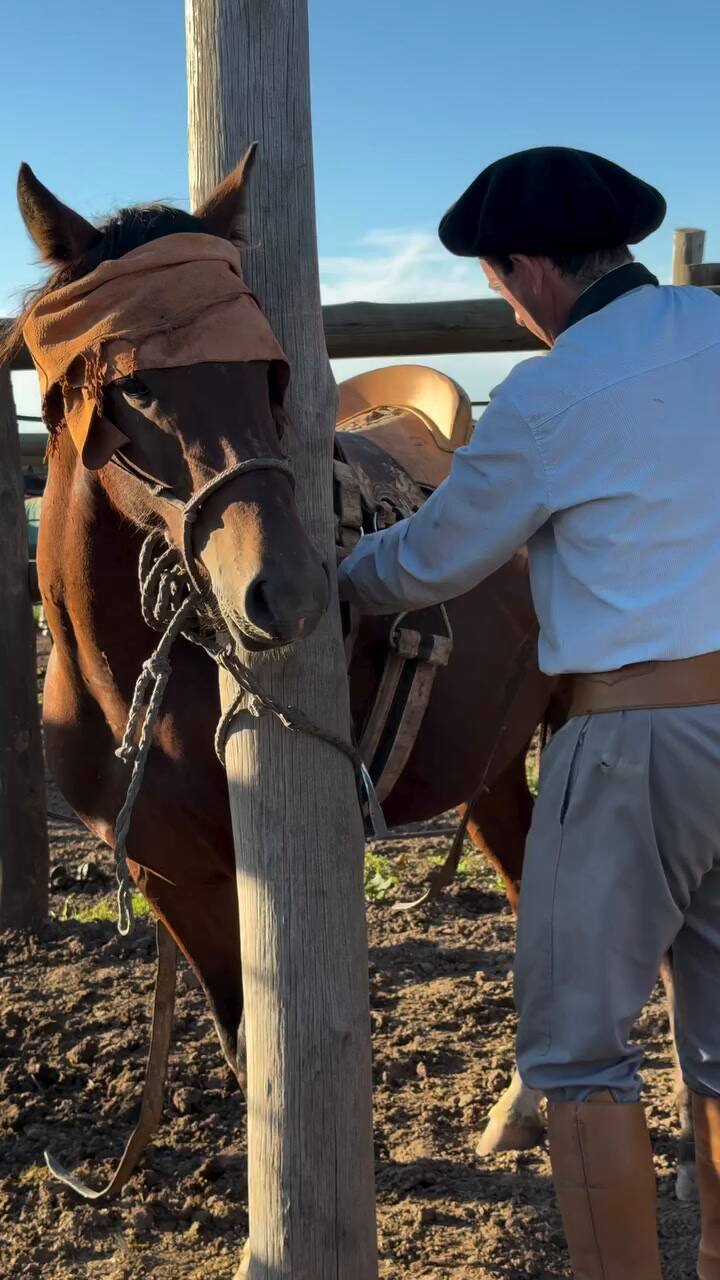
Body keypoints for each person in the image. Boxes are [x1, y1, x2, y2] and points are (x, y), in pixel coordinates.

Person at [337, 146, 720, 1279]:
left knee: (578, 1052)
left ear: (531, 269)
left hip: (636, 740)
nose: (510, 307)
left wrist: (339, 574)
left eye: (501, 283)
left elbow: (434, 559)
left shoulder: (550, 395)